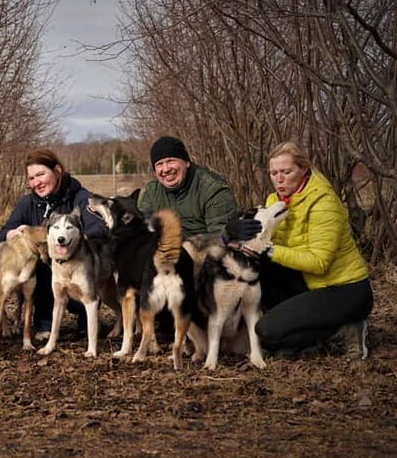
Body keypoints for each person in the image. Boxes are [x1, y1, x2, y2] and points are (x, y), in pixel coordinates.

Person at [253, 141, 373, 358]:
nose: (279, 179)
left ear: (303, 169)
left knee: (266, 333)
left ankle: (348, 330)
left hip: (344, 289)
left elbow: (319, 262)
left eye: (286, 172)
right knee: (260, 266)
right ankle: (299, 331)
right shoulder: (274, 200)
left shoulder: (323, 201)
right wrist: (235, 233)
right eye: (273, 173)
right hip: (308, 283)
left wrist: (269, 250)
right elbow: (269, 248)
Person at [0, 149, 107, 339]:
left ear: (57, 171)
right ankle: (43, 322)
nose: (36, 182)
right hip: (44, 273)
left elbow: (98, 229)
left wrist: (75, 246)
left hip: (78, 269)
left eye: (40, 174)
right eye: (31, 178)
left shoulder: (80, 197)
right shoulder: (27, 203)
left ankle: (85, 317)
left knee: (78, 273)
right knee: (39, 264)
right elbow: (3, 233)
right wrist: (16, 233)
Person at [139, 136, 255, 238]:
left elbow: (220, 238)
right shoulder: (152, 191)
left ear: (187, 163)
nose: (166, 169)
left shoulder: (213, 189)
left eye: (171, 161)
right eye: (159, 164)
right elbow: (140, 228)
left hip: (203, 252)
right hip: (165, 252)